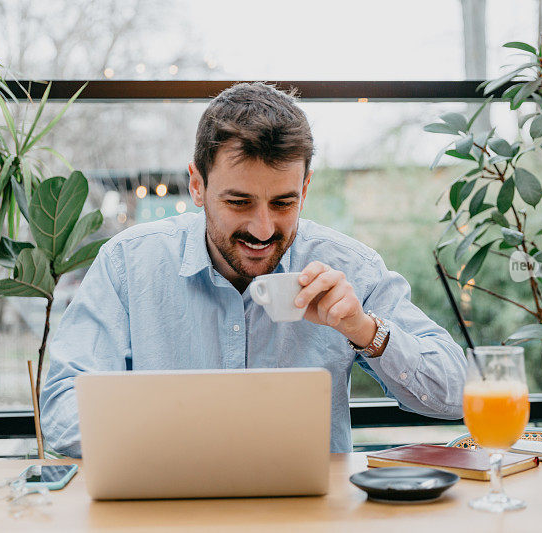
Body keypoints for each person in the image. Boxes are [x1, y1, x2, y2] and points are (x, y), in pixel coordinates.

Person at [40, 82, 467, 456]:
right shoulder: (128, 265)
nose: (263, 229)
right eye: (238, 202)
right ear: (196, 185)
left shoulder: (350, 267)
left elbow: (456, 393)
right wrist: (190, 439)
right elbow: (62, 408)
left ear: (305, 188)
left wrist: (364, 330)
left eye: (283, 203)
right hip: (167, 513)